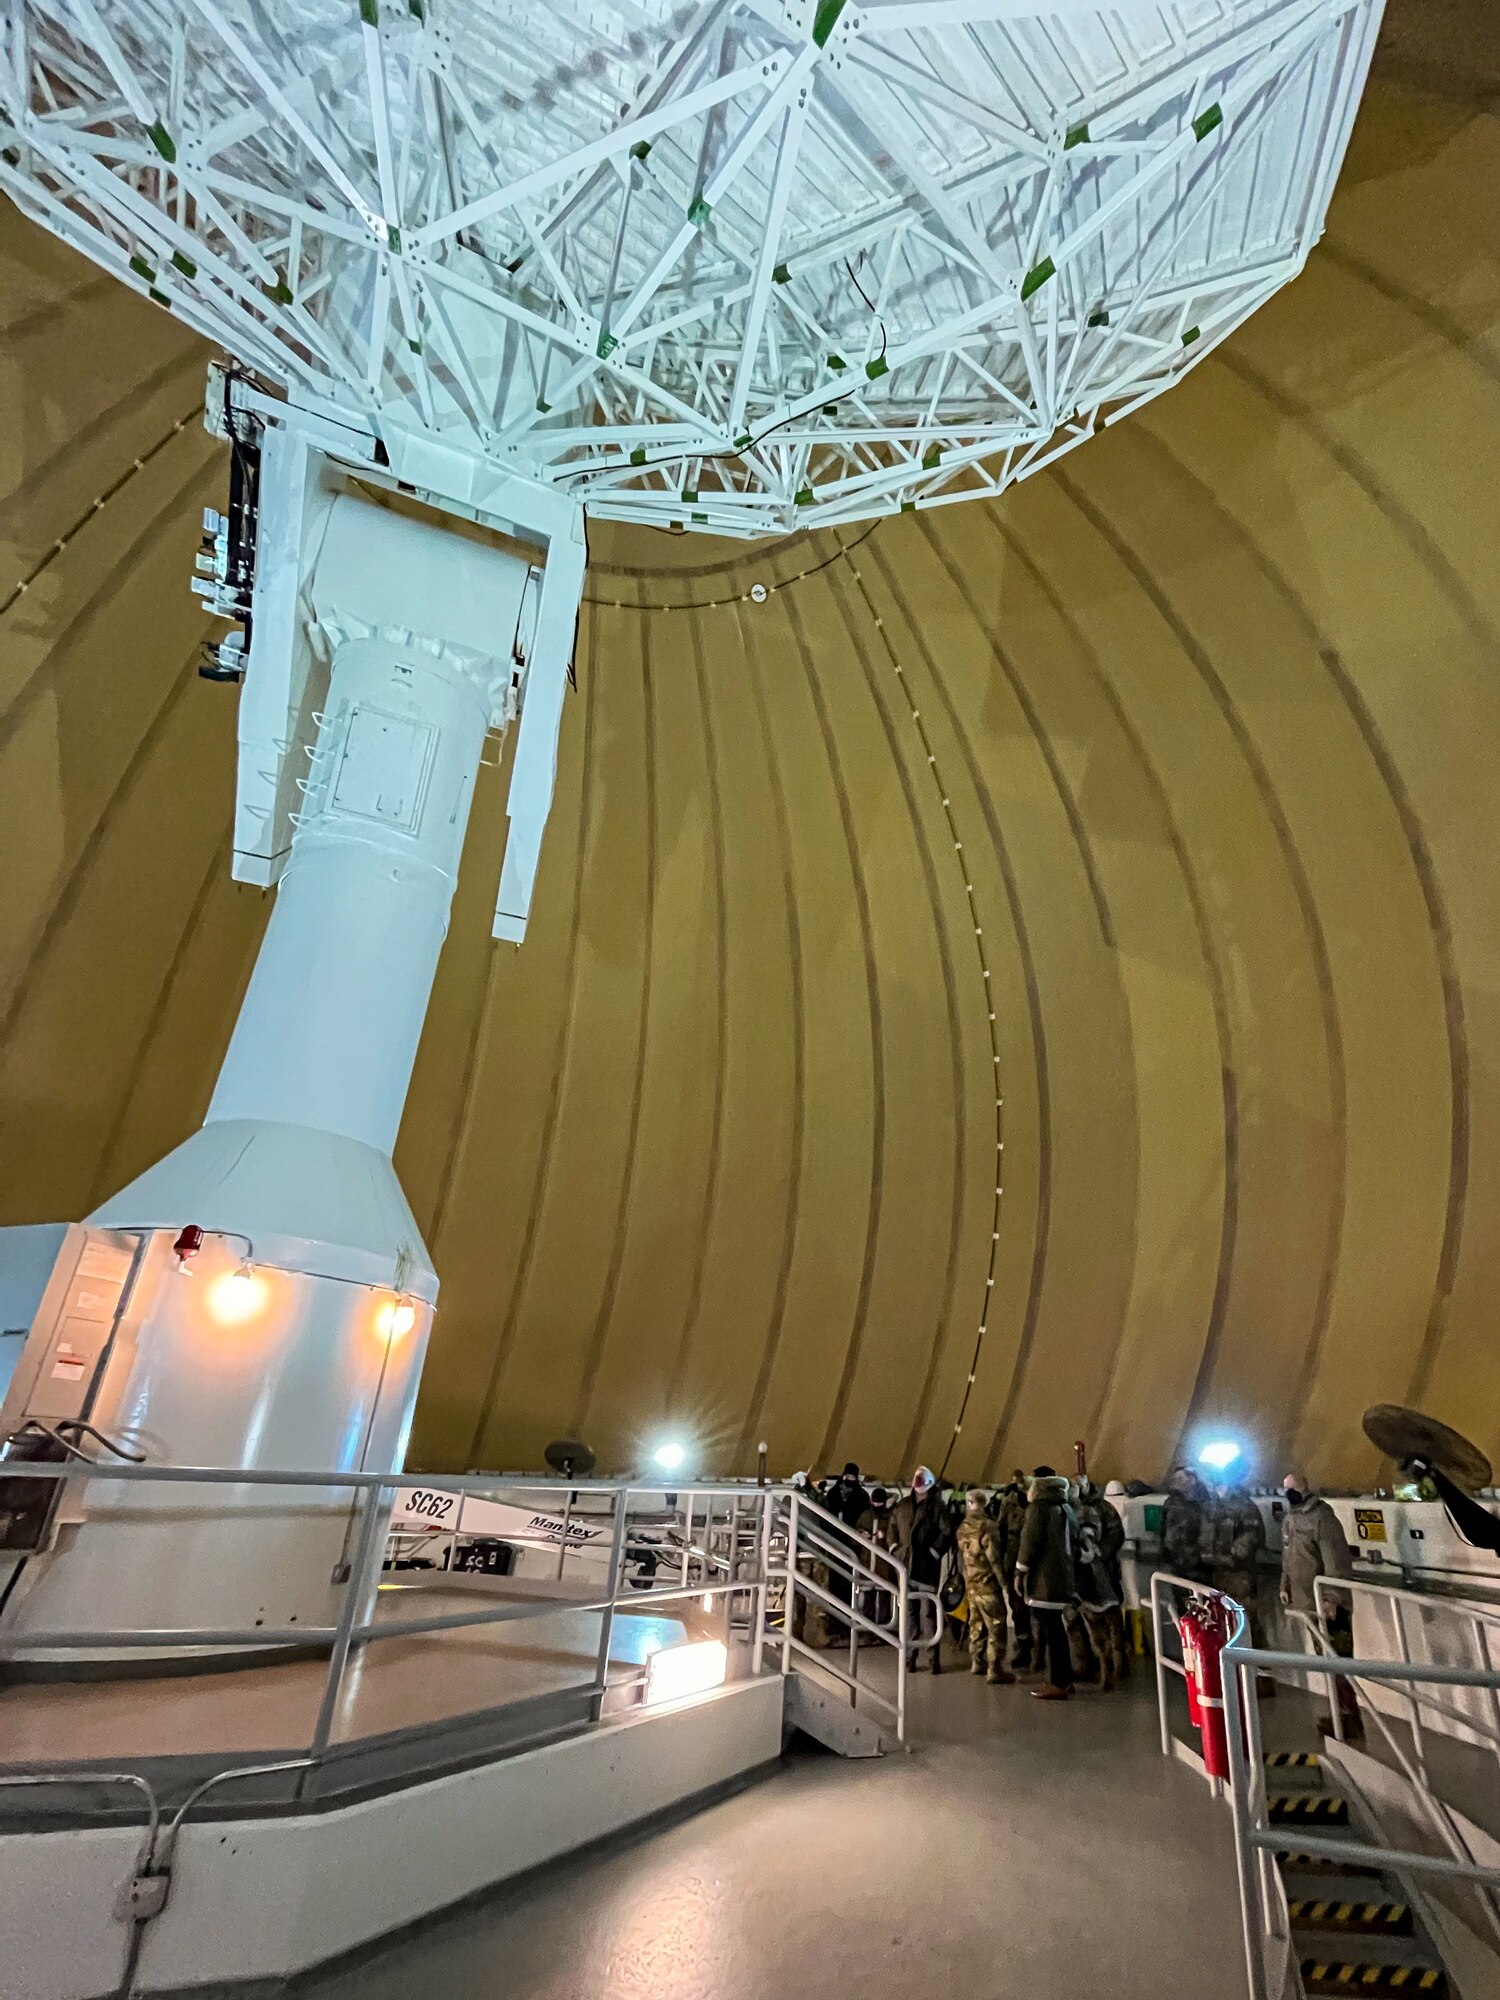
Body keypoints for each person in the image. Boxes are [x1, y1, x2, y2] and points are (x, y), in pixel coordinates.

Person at [1280, 1471, 1360, 1738]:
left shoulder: (1323, 1518)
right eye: (1285, 1489)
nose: (1288, 1494)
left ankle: (1349, 1717)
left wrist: (1332, 1598)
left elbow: (1336, 1561)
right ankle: (1339, 1716)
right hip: (1307, 1602)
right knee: (1327, 1661)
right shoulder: (1291, 1518)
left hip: (1327, 1606)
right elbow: (1289, 1554)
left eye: (1292, 1489)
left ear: (1304, 1489)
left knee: (1339, 1661)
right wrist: (1285, 1585)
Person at [1016, 1466, 1077, 1700]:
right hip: (1064, 1576)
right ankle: (1064, 1679)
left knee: (1051, 1630)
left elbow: (1030, 1541)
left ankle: (1058, 1682)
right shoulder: (1066, 1508)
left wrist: (1020, 1570)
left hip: (1044, 1579)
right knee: (1057, 1629)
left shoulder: (1039, 1509)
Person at [888, 1466, 952, 1673]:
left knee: (928, 1613)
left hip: (925, 1568)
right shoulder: (903, 1506)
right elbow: (892, 1528)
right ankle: (910, 1657)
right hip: (905, 1566)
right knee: (909, 1613)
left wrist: (934, 1552)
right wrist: (894, 1549)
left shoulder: (938, 1507)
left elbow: (947, 1532)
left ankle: (933, 1658)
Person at [1072, 1475, 1129, 1691]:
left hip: (1105, 1572)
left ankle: (1119, 1665)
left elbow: (1116, 1535)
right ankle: (1089, 1664)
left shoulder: (1104, 1509)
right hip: (1082, 1576)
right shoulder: (1071, 1509)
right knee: (1086, 1620)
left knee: (1112, 1620)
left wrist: (1100, 1553)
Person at [955, 1490, 1016, 1683]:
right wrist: (1005, 1583)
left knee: (976, 1623)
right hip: (988, 1583)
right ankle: (995, 1668)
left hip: (970, 1583)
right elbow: (995, 1558)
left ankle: (977, 1661)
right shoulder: (988, 1526)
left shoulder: (963, 1526)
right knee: (996, 1625)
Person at [1205, 1477, 1267, 1640]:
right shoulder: (1212, 1504)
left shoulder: (1244, 1505)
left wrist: (1229, 1556)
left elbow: (1252, 1537)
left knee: (1246, 1622)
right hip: (1216, 1573)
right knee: (1223, 1625)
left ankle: (1258, 1663)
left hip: (1239, 1575)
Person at [997, 1475, 1034, 1673]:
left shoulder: (1037, 1508)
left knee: (1036, 1609)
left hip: (1033, 1566)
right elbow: (1001, 1531)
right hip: (1012, 1563)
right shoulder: (1009, 1504)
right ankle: (1024, 1645)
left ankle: (1038, 1650)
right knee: (1017, 1607)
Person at [1160, 1464, 1211, 1582]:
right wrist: (1164, 1551)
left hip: (1198, 1564)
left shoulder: (1204, 1502)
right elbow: (1163, 1528)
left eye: (1182, 1479)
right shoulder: (1171, 1502)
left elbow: (1209, 1531)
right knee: (1180, 1595)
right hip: (1176, 1562)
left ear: (1192, 1480)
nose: (1178, 1482)